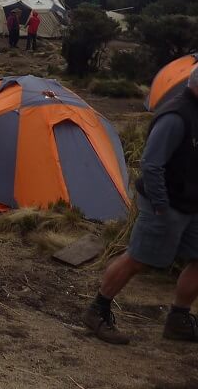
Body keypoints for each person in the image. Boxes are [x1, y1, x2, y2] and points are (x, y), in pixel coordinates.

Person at [81, 66, 198, 344]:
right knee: (138, 259)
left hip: (191, 204)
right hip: (166, 203)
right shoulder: (176, 116)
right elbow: (151, 164)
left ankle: (178, 320)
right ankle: (97, 309)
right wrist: (160, 205)